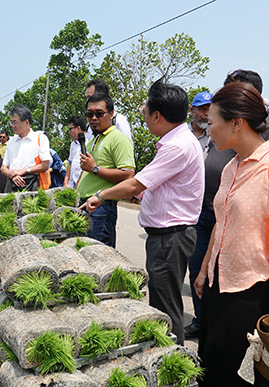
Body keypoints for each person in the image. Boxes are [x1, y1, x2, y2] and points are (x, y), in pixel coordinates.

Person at [194, 83, 269, 386]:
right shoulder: (231, 166)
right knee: (211, 369)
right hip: (217, 286)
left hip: (251, 292)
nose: (208, 129)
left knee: (241, 376)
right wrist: (204, 269)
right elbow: (222, 223)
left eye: (212, 122)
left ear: (236, 123)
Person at [81, 80, 203, 345]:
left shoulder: (176, 146)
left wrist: (101, 194)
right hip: (167, 236)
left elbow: (136, 181)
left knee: (166, 310)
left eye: (146, 109)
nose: (143, 114)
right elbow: (149, 188)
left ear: (157, 115)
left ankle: (172, 363)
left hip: (170, 238)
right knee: (163, 302)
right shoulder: (177, 142)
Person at [77, 92, 135, 248]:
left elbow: (128, 175)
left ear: (111, 114)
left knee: (98, 256)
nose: (94, 118)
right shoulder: (91, 141)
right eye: (90, 114)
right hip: (84, 205)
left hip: (101, 208)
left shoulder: (118, 138)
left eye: (99, 113)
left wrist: (94, 168)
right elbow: (85, 173)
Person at [224, 69, 269, 149]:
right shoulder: (220, 125)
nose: (230, 97)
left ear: (255, 96)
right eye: (227, 92)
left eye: (237, 92)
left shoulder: (268, 128)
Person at [0, 104, 52, 192]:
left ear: (26, 122)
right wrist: (12, 175)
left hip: (32, 183)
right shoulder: (11, 141)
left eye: (15, 122)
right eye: (11, 122)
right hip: (12, 183)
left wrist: (24, 171)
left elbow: (45, 165)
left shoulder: (40, 138)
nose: (13, 126)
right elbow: (3, 167)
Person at [86, 78, 133, 142]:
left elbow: (127, 146)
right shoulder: (89, 125)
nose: (87, 101)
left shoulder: (118, 120)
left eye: (90, 97)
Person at [63, 115, 91, 188]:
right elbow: (70, 163)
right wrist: (65, 182)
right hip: (72, 184)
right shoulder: (73, 144)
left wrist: (78, 186)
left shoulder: (90, 141)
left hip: (83, 185)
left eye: (70, 129)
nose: (69, 132)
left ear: (78, 128)